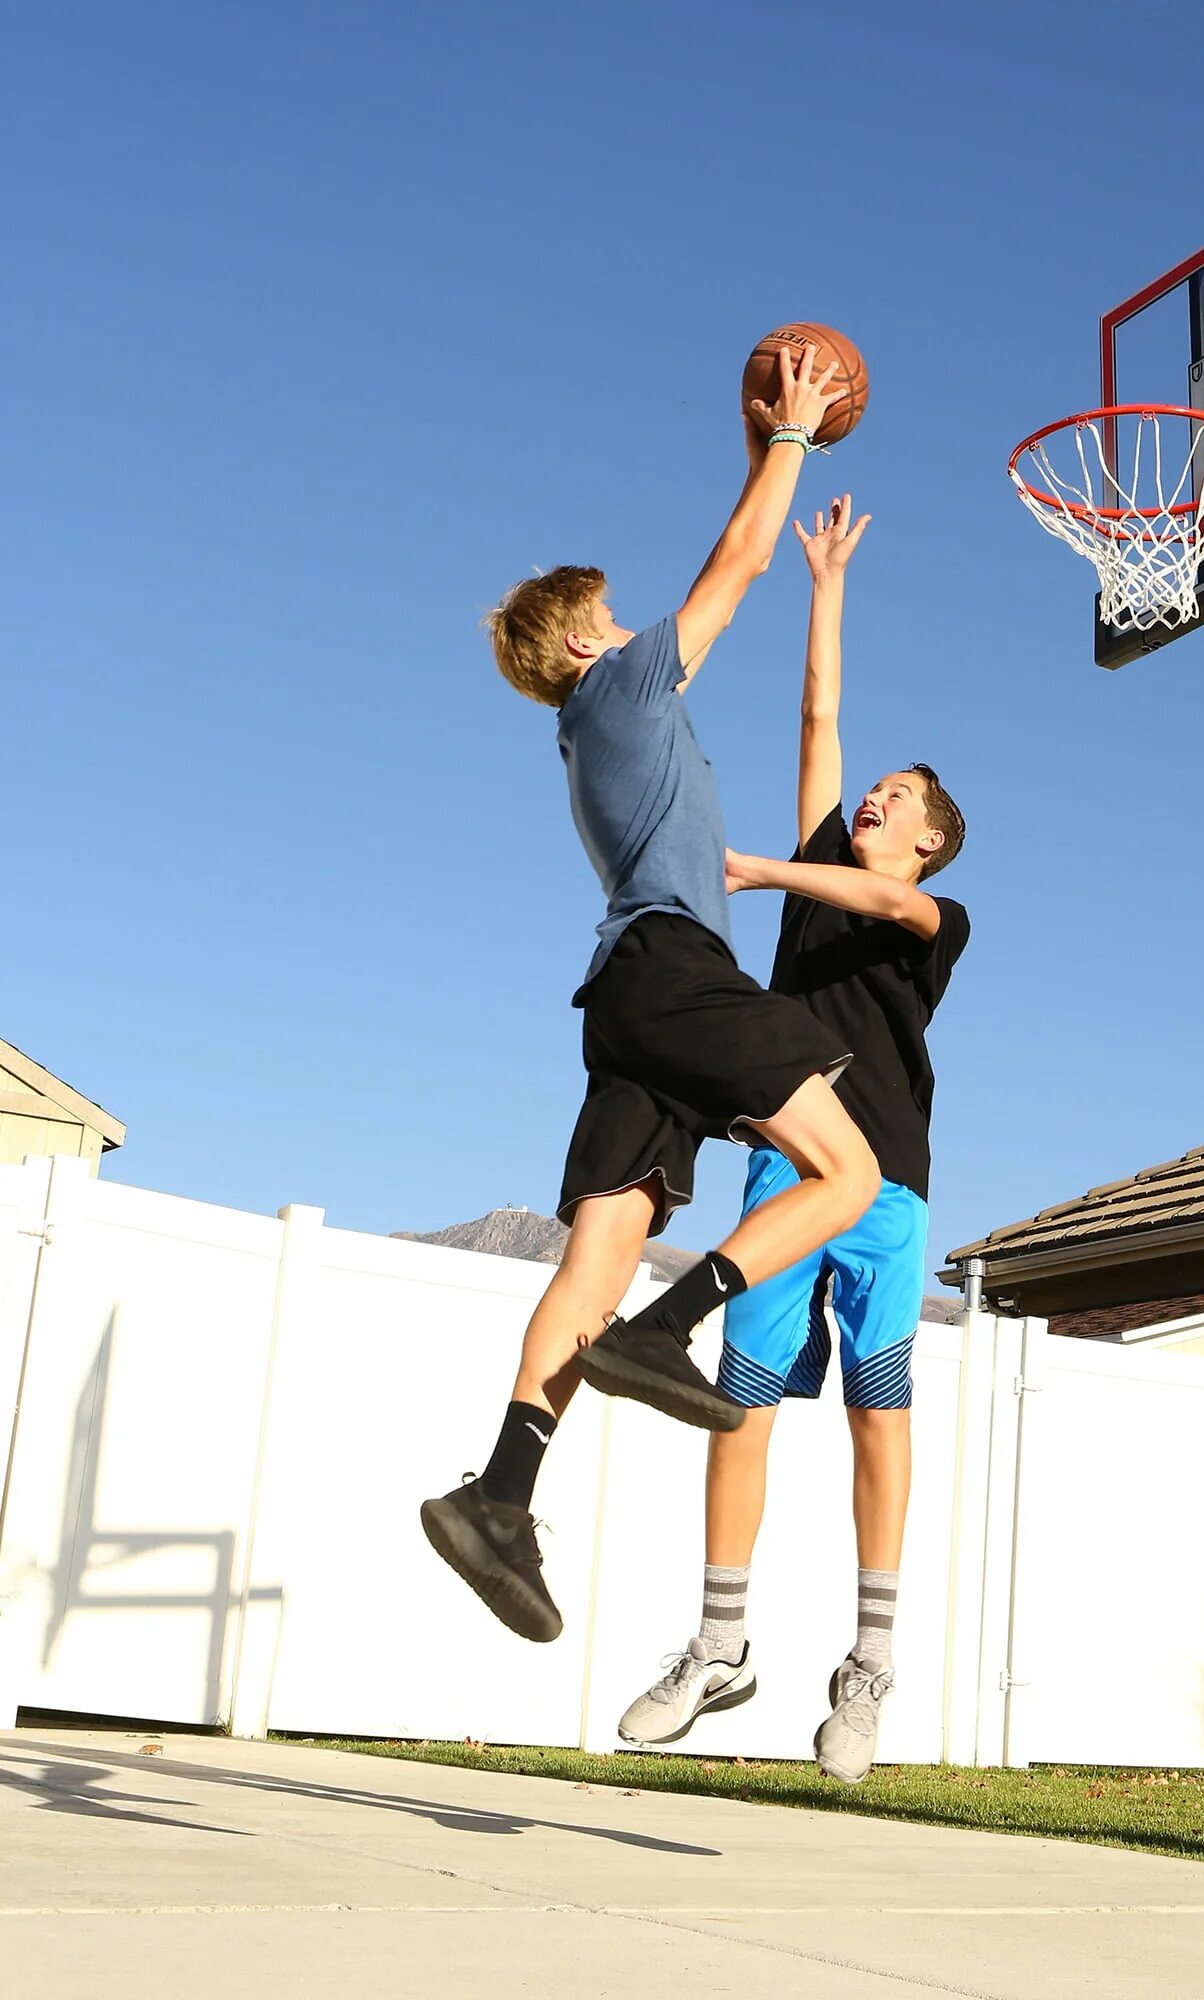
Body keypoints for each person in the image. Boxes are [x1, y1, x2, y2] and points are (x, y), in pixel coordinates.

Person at [421, 348, 883, 1648]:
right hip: (676, 972)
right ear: (581, 642)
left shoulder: (591, 726)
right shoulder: (620, 686)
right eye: (614, 619)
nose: (633, 631)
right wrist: (791, 438)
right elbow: (733, 574)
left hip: (622, 1002)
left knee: (596, 1254)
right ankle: (668, 1331)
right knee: (847, 1173)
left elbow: (730, 549)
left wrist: (762, 449)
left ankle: (499, 1497)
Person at [613, 496, 969, 1782]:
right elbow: (817, 715)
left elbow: (877, 895)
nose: (874, 794)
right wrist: (824, 582)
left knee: (879, 1415)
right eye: (872, 790)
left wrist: (760, 865)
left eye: (898, 797)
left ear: (928, 838)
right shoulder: (833, 855)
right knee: (740, 1407)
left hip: (884, 1192)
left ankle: (867, 1665)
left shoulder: (935, 911)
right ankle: (719, 1645)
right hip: (784, 1170)